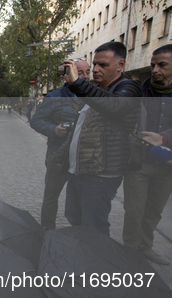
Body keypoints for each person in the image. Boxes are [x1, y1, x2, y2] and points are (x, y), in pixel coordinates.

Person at [61, 42, 141, 236]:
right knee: (74, 217)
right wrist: (60, 155)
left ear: (120, 65)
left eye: (103, 65)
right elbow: (79, 130)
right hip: (79, 170)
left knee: (93, 225)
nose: (96, 69)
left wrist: (78, 84)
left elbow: (112, 106)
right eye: (95, 64)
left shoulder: (128, 88)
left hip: (100, 173)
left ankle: (96, 263)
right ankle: (83, 258)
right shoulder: (94, 92)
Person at [122, 44, 172, 265]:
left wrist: (164, 139)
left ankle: (146, 246)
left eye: (162, 65)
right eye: (153, 65)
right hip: (139, 162)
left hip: (167, 165)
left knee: (154, 210)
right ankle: (130, 250)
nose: (155, 70)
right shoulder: (139, 91)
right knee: (134, 209)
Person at [30, 58, 91, 230]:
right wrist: (53, 129)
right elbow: (36, 121)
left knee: (84, 198)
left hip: (85, 156)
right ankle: (47, 230)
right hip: (58, 154)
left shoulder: (96, 96)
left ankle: (82, 232)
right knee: (51, 195)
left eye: (88, 72)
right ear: (67, 75)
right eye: (80, 73)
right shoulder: (54, 97)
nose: (85, 77)